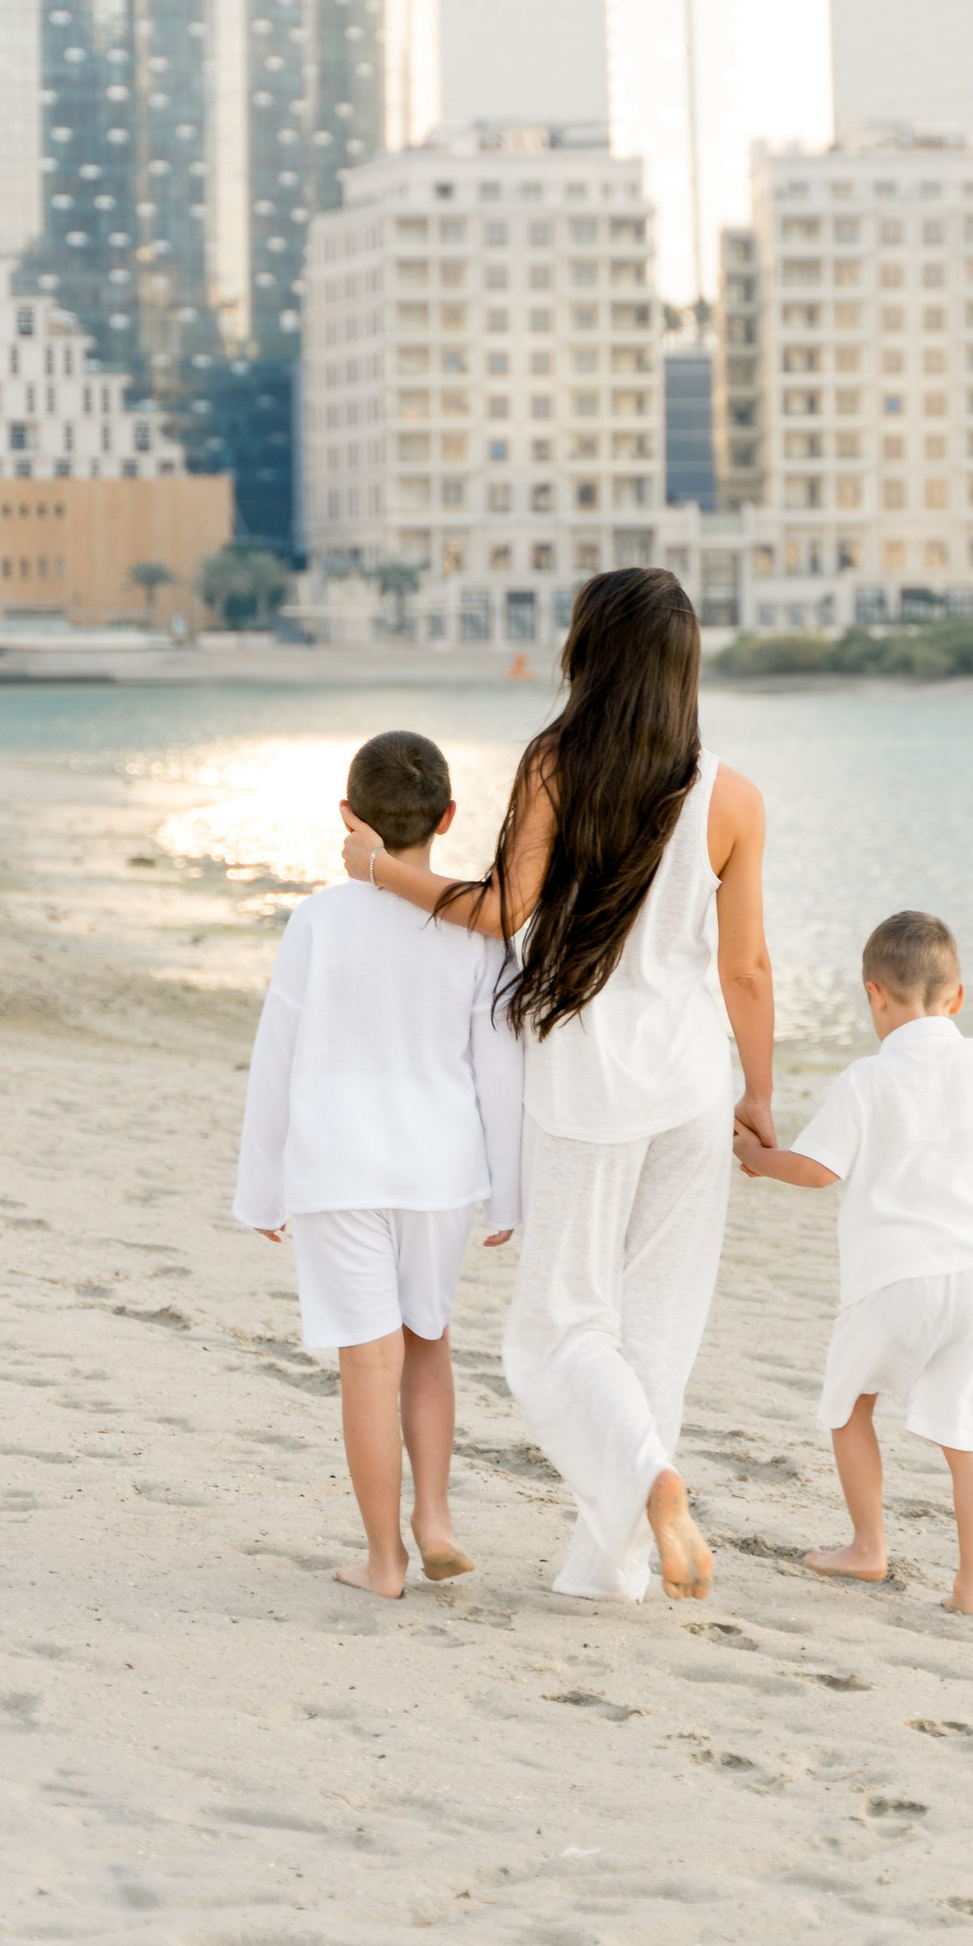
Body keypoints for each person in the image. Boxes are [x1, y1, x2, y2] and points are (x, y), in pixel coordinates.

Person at [342, 568, 772, 1606]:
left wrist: (379, 870)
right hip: (690, 1083)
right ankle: (607, 1569)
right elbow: (746, 969)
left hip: (585, 1074)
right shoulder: (735, 796)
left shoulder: (555, 763)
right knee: (652, 1332)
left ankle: (653, 1492)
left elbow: (500, 911)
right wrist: (757, 1093)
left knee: (555, 1332)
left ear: (593, 654)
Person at [234, 728, 522, 1601]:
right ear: (448, 815)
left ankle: (385, 1560)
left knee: (368, 1363)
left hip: (337, 1165)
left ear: (348, 817)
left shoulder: (318, 918)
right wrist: (509, 1189)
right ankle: (434, 1518)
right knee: (427, 1344)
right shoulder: (473, 924)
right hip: (439, 1167)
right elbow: (498, 1065)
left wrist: (263, 1185)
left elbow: (277, 1050)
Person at [735, 908, 973, 1617]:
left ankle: (868, 1546)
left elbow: (817, 1169)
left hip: (894, 1278)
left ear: (873, 995)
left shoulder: (866, 1078)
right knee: (971, 1432)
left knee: (848, 1405)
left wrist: (755, 1158)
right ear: (956, 998)